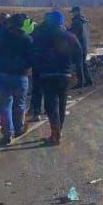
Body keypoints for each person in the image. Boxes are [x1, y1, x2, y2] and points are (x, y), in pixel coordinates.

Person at [0, 13, 35, 146]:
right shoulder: (27, 39)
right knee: (20, 104)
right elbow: (32, 59)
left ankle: (7, 133)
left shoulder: (0, 37)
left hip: (3, 74)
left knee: (5, 105)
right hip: (21, 76)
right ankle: (19, 128)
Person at [31, 10, 81, 146]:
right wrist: (77, 71)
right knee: (62, 103)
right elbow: (79, 54)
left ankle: (55, 134)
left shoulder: (41, 36)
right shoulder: (70, 36)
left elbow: (33, 54)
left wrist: (37, 69)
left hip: (47, 75)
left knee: (50, 105)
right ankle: (58, 132)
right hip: (65, 75)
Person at [68, 6, 93, 88]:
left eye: (73, 12)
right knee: (83, 64)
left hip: (78, 46)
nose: (72, 14)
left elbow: (73, 34)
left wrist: (66, 30)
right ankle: (89, 81)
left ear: (77, 12)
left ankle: (80, 83)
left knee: (79, 65)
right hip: (85, 45)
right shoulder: (84, 21)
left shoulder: (76, 21)